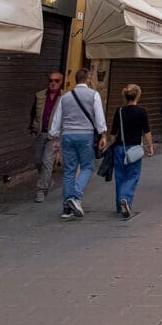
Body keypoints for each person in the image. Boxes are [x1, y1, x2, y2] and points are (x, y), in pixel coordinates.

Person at [48, 67, 107, 220]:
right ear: (88, 79)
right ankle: (75, 196)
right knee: (87, 166)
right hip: (85, 135)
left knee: (69, 171)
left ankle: (67, 208)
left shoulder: (65, 97)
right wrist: (103, 135)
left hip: (67, 135)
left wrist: (55, 137)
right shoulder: (94, 95)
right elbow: (99, 117)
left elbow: (57, 118)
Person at [107, 84, 154, 218]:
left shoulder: (120, 111)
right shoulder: (142, 111)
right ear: (138, 96)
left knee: (120, 176)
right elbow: (146, 131)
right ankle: (125, 199)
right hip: (134, 149)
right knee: (133, 176)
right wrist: (150, 146)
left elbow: (113, 133)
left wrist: (110, 144)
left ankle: (119, 206)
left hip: (119, 148)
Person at [29, 70, 64, 202]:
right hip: (41, 132)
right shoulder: (40, 96)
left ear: (61, 82)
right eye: (51, 80)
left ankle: (41, 190)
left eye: (56, 81)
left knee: (47, 162)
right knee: (38, 160)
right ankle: (47, 181)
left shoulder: (65, 98)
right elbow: (33, 113)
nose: (53, 83)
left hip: (54, 135)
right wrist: (33, 127)